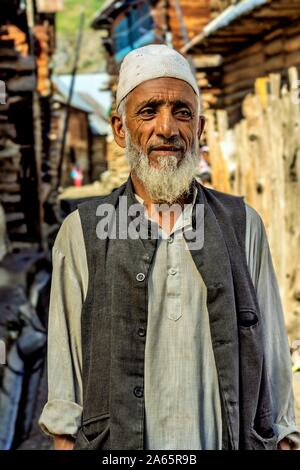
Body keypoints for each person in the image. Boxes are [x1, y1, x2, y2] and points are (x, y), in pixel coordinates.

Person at [39, 45, 300, 450]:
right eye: (149, 111)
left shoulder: (242, 224)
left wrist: (284, 437)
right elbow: (65, 379)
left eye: (182, 112)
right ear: (120, 128)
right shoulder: (83, 232)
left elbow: (273, 358)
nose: (167, 128)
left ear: (200, 128)